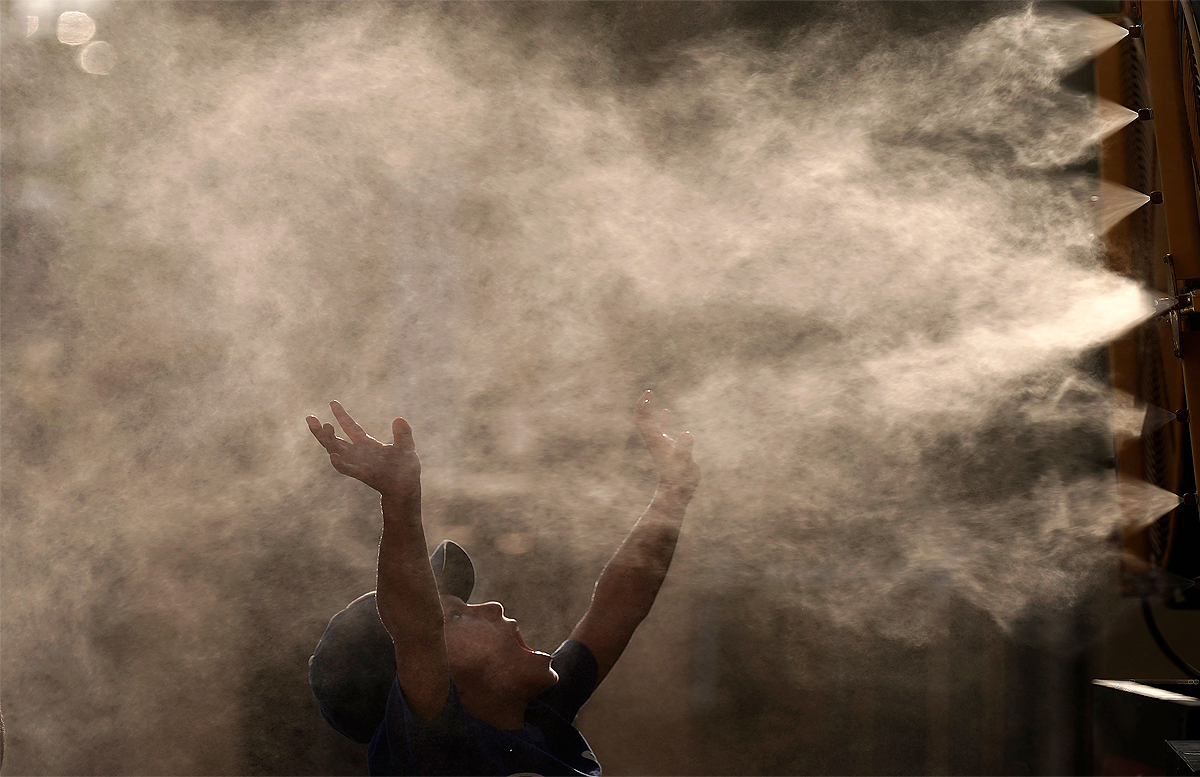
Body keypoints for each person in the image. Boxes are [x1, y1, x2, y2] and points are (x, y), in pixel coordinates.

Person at [306, 390, 700, 776]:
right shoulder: (433, 751)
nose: (493, 608)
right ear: (411, 680)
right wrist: (400, 499)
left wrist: (672, 495)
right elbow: (415, 629)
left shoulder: (538, 717)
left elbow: (617, 607)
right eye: (455, 616)